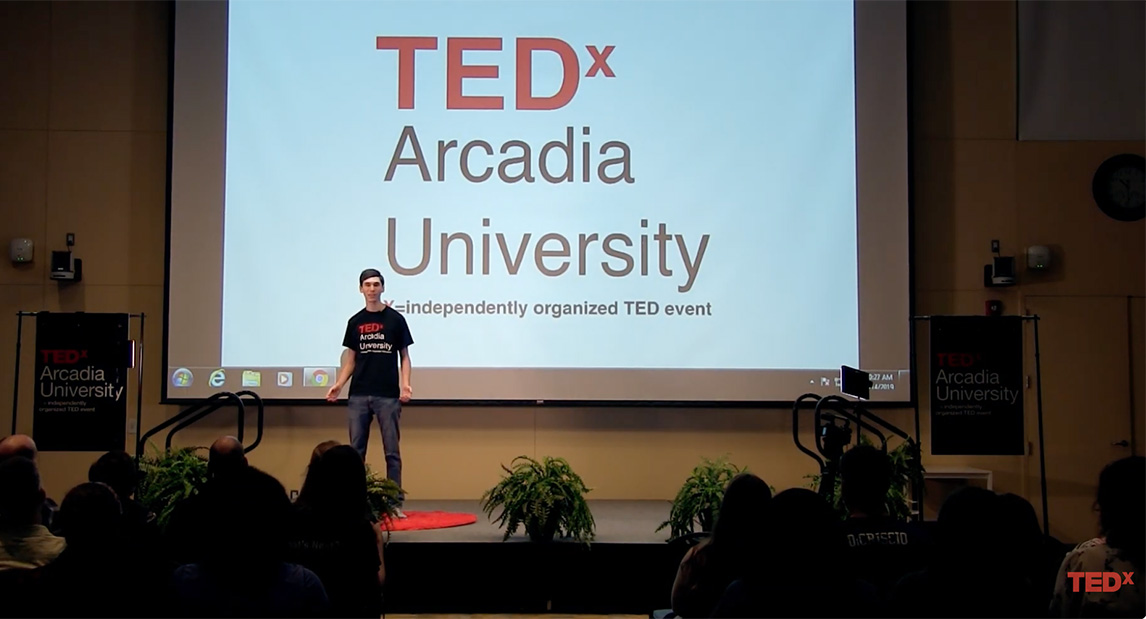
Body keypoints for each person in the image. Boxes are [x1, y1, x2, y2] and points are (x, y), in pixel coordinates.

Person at [327, 269, 413, 517]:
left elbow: (405, 357)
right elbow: (351, 361)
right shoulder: (355, 322)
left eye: (376, 284)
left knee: (392, 452)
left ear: (382, 288)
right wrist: (339, 384)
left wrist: (405, 384)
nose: (372, 289)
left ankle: (394, 504)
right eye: (367, 284)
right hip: (359, 395)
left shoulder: (395, 319)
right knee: (355, 453)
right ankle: (355, 504)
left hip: (387, 395)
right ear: (361, 289)